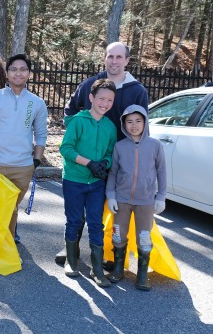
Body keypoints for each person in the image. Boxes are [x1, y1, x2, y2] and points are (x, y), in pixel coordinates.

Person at [56, 41, 149, 265]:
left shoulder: (137, 90)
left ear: (127, 60)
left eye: (119, 57)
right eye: (110, 56)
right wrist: (81, 132)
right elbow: (70, 112)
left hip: (117, 159)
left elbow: (143, 126)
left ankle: (108, 252)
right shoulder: (90, 85)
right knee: (77, 208)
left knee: (112, 206)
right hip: (86, 160)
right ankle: (72, 248)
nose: (114, 61)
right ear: (105, 58)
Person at [0, 54, 48, 260]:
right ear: (7, 72)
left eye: (23, 69)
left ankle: (4, 248)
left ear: (29, 74)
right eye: (14, 69)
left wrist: (36, 161)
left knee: (10, 209)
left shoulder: (37, 103)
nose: (18, 73)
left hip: (22, 167)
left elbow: (41, 134)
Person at [59, 78, 117, 287]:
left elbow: (111, 152)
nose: (105, 103)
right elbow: (65, 149)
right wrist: (89, 163)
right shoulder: (78, 121)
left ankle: (97, 268)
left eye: (109, 100)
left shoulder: (110, 127)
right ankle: (71, 261)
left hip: (96, 183)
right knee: (74, 221)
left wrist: (104, 162)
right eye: (101, 98)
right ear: (91, 98)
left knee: (95, 223)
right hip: (74, 180)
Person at [106, 105, 166, 290]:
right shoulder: (119, 146)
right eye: (129, 121)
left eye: (138, 121)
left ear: (145, 122)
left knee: (144, 237)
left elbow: (161, 172)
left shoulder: (155, 145)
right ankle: (118, 269)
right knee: (118, 234)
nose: (134, 125)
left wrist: (160, 197)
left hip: (146, 201)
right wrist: (111, 195)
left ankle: (142, 274)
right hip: (122, 200)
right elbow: (113, 173)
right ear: (124, 124)